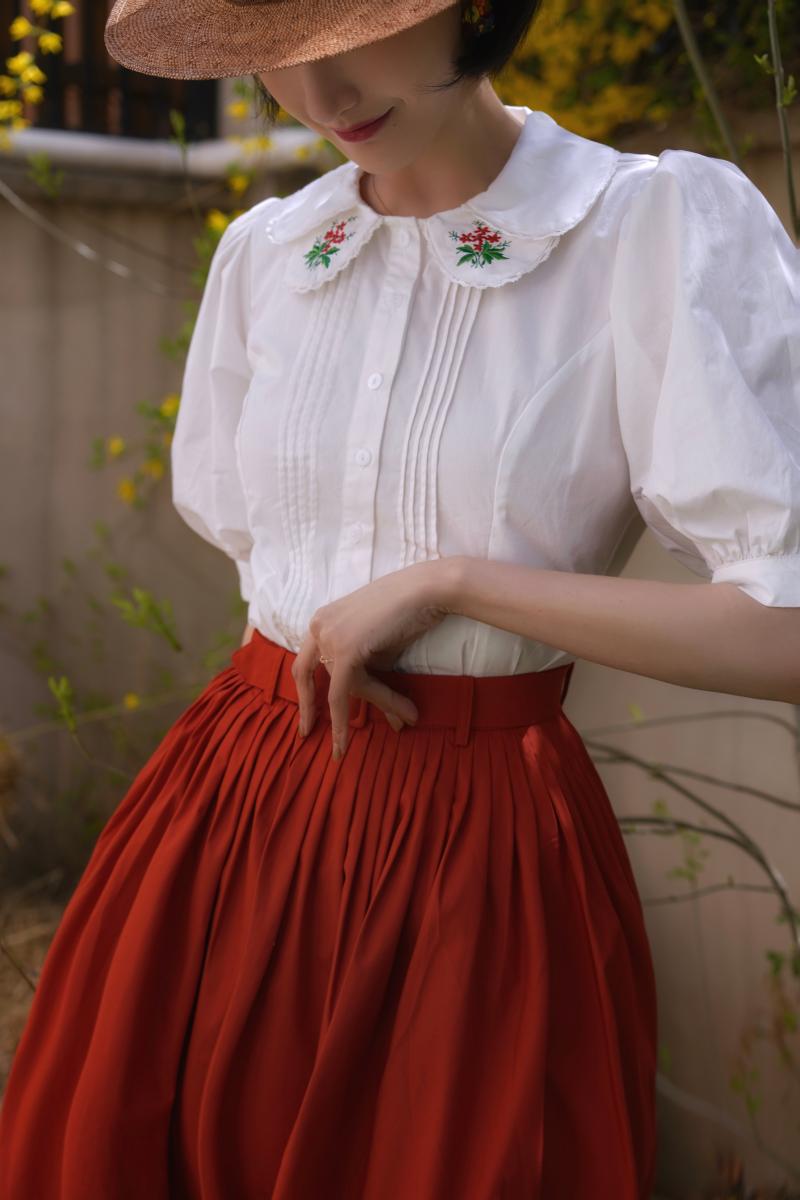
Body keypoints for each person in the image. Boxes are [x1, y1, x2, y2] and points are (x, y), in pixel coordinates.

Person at [2, 0, 799, 1196]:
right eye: (274, 52)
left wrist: (459, 580)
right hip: (230, 810)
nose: (319, 97)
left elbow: (782, 627)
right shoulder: (269, 254)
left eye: (351, 31)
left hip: (473, 843)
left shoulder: (646, 230)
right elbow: (238, 524)